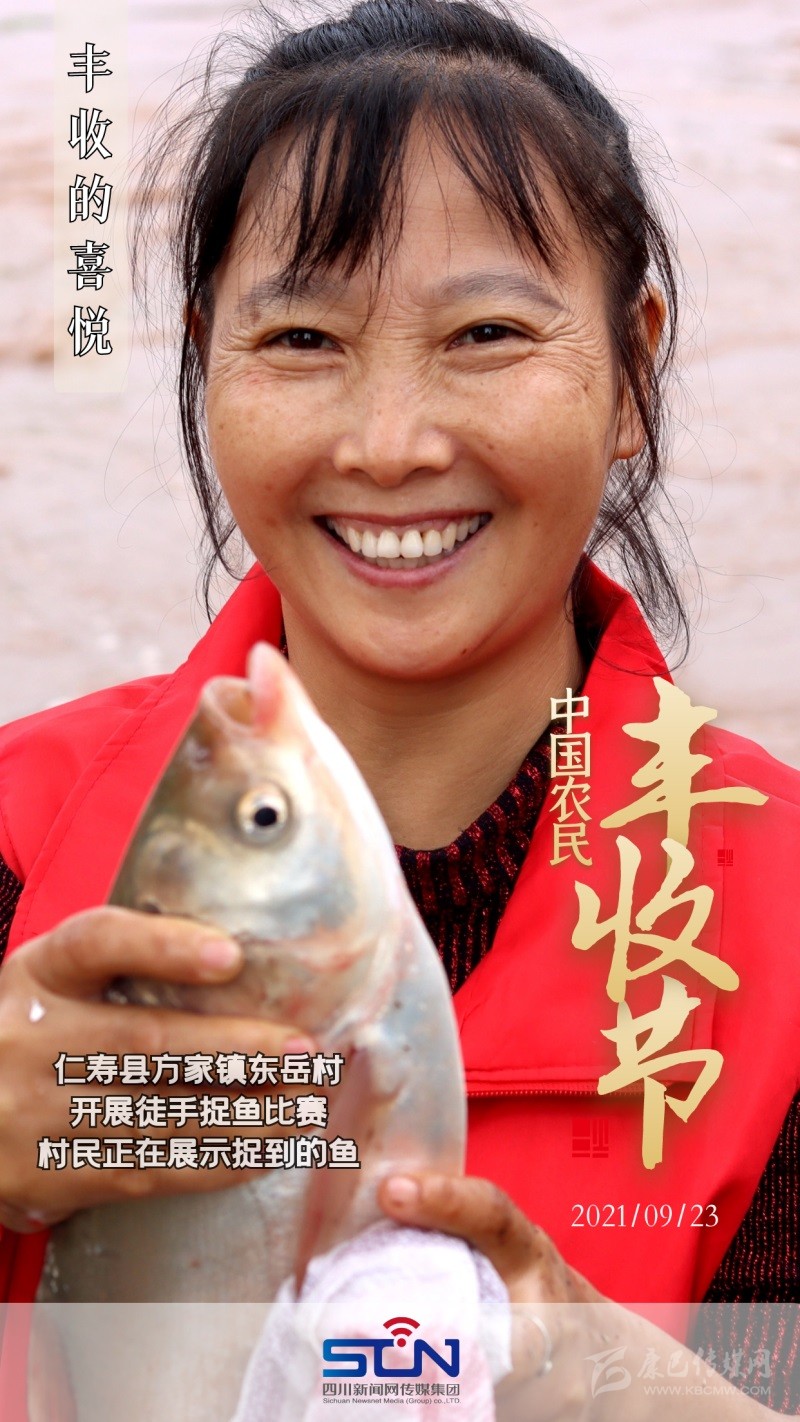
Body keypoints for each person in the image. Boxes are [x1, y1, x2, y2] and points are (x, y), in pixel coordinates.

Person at [0, 0, 797, 1416]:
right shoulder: (15, 843)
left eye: (486, 332)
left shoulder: (785, 924)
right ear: (207, 359)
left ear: (635, 366)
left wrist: (628, 1386)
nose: (388, 444)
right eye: (302, 338)